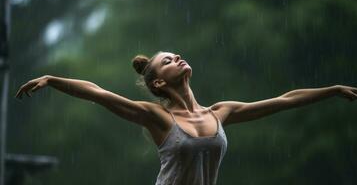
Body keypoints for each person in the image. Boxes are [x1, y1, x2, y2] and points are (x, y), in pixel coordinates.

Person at [15, 51, 357, 185]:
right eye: (167, 60)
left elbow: (284, 100)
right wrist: (53, 80)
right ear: (159, 82)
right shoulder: (158, 118)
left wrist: (334, 89)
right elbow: (97, 92)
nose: (177, 58)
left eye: (176, 55)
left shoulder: (221, 112)